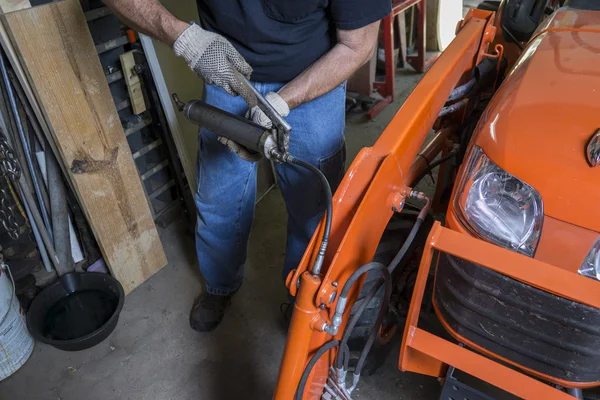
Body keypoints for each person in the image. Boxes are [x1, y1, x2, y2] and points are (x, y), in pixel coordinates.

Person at [104, 0, 391, 332]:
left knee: (314, 207)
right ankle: (220, 286)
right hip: (225, 71)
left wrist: (283, 101)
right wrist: (184, 39)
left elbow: (358, 47)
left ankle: (304, 297)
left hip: (315, 81)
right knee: (219, 196)